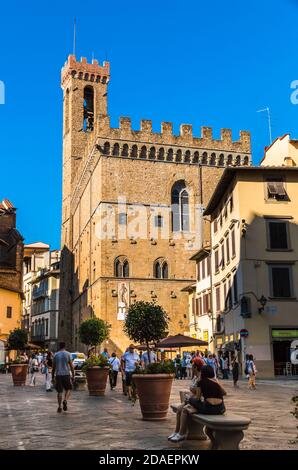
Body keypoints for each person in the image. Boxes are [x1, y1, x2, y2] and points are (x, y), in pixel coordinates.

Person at [169, 365, 226, 442]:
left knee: (189, 401)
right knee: (189, 403)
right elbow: (224, 393)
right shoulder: (216, 381)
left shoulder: (201, 382)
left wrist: (190, 398)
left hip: (208, 408)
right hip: (220, 408)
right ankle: (179, 432)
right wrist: (217, 384)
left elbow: (197, 398)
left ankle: (181, 433)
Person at [168, 364, 201, 442]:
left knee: (183, 409)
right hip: (191, 398)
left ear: (196, 367)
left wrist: (191, 393)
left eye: (192, 366)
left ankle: (181, 433)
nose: (191, 368)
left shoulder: (200, 378)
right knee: (179, 408)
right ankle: (177, 431)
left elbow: (198, 394)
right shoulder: (195, 377)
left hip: (194, 400)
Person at [52, 342, 75, 413]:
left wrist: (53, 376)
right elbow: (71, 366)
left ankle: (59, 407)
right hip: (66, 374)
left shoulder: (56, 355)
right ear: (65, 346)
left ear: (59, 346)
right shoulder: (68, 354)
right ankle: (65, 400)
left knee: (59, 391)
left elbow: (53, 367)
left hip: (58, 375)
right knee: (69, 388)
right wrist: (73, 375)